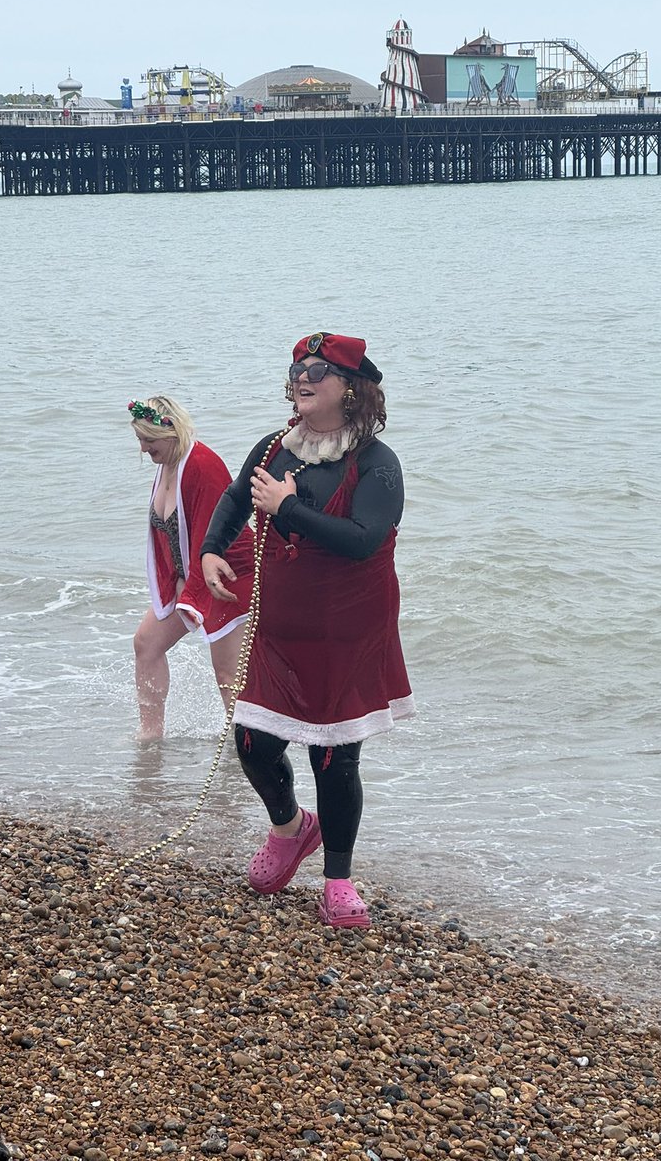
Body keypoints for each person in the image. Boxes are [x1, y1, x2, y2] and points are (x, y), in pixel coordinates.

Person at [200, 333, 414, 928]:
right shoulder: (275, 447)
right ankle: (291, 829)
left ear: (351, 388)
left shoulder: (377, 462)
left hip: (349, 632)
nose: (302, 376)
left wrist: (289, 509)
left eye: (318, 370)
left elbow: (364, 540)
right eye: (297, 367)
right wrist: (214, 550)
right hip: (280, 626)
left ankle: (339, 882)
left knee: (335, 758)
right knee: (253, 742)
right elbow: (238, 497)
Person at [128, 395, 253, 739]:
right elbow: (170, 542)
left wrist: (194, 595)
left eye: (148, 440)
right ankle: (150, 735)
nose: (142, 448)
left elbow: (210, 540)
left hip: (229, 578)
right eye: (139, 439)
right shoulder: (167, 465)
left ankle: (246, 751)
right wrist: (177, 586)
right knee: (146, 644)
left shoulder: (202, 464)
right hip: (194, 576)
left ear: (169, 434)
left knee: (227, 675)